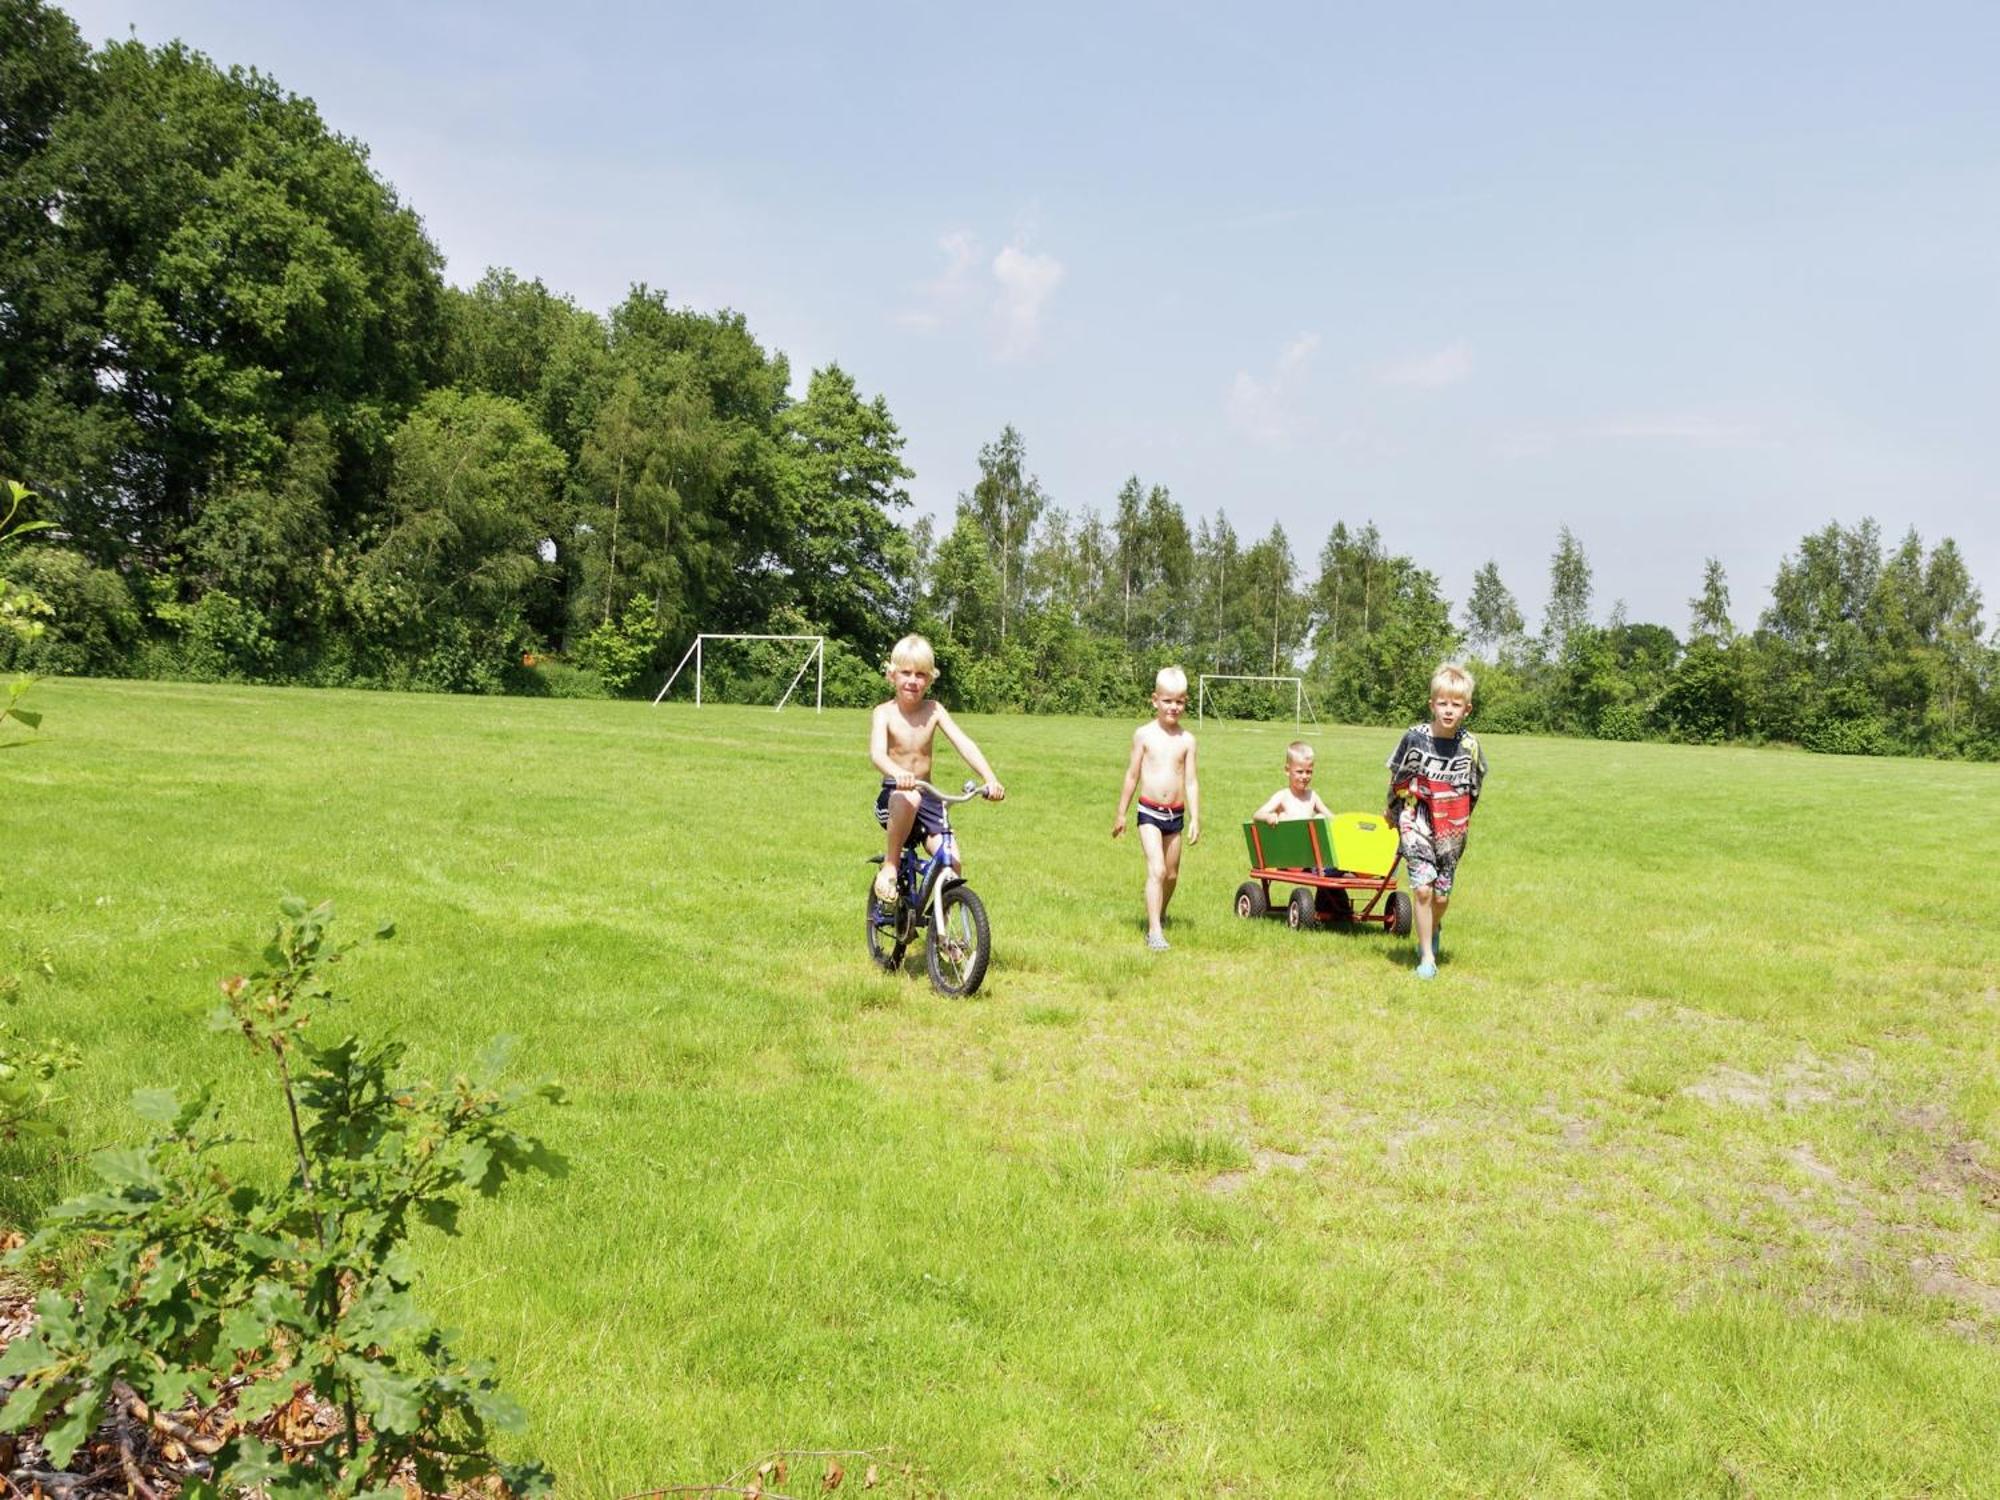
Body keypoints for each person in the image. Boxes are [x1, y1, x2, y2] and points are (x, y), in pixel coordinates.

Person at [869, 635, 1005, 905]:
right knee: (910, 797)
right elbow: (877, 754)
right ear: (892, 675)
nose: (912, 680)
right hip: (895, 795)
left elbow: (963, 743)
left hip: (928, 796)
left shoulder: (934, 710)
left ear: (930, 679)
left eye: (920, 675)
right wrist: (897, 774)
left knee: (952, 862)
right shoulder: (884, 713)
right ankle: (891, 865)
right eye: (906, 673)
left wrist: (989, 778)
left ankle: (944, 930)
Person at [1385, 662, 1487, 979]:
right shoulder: (1414, 738)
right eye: (1442, 703)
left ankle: (1434, 924)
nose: (1448, 710)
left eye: (1456, 705)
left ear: (1466, 709)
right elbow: (1397, 776)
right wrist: (1391, 808)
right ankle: (1427, 956)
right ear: (1432, 704)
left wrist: (1461, 819)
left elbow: (1475, 786)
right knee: (1423, 891)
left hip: (1451, 829)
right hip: (1414, 819)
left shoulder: (1470, 746)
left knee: (1441, 896)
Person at [1111, 665, 1201, 951]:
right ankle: (1154, 931)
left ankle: (1160, 912)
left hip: (1175, 816)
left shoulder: (1187, 740)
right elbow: (1132, 775)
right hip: (1149, 812)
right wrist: (1121, 813)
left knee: (1172, 875)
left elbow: (1191, 782)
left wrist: (1196, 818)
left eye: (1180, 701)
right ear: (1155, 700)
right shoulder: (1144, 735)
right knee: (1157, 870)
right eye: (1167, 701)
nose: (1173, 707)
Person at [1252, 741, 1334, 825]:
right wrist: (1268, 817)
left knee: (1321, 817)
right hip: (1286, 836)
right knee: (1284, 817)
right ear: (1287, 770)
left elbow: (1332, 818)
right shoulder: (1282, 796)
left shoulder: (1312, 796)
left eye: (1309, 772)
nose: (1305, 776)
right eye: (1300, 772)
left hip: (1306, 836)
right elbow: (1257, 815)